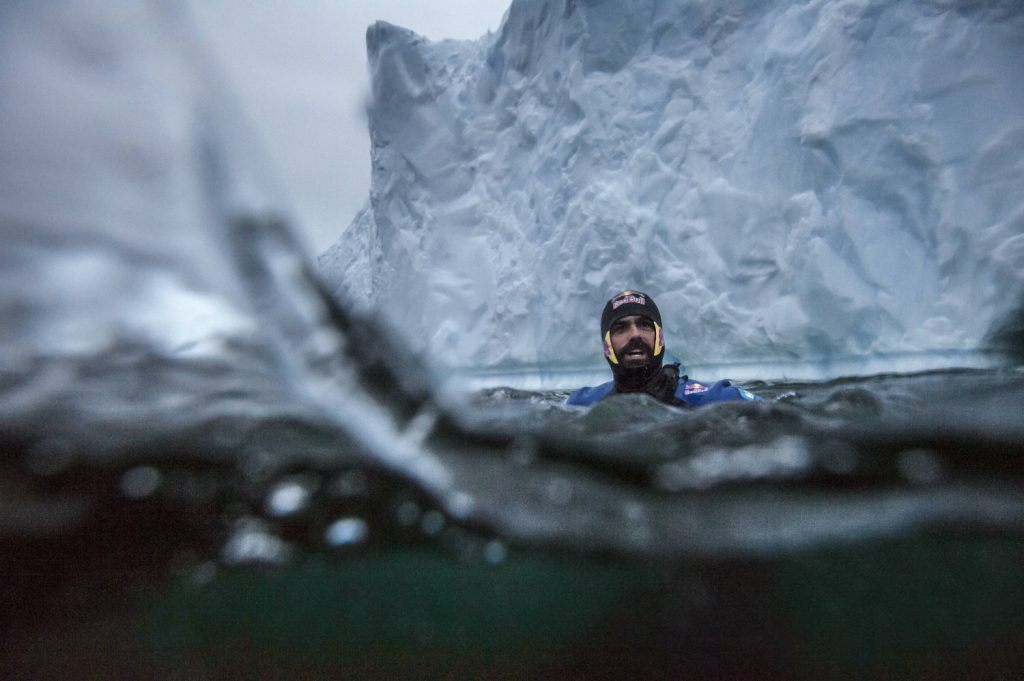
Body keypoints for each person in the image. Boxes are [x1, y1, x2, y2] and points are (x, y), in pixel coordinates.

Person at [566, 290, 761, 407]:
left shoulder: (712, 399)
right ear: (606, 345)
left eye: (644, 325)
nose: (635, 334)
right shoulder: (581, 404)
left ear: (660, 338)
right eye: (620, 327)